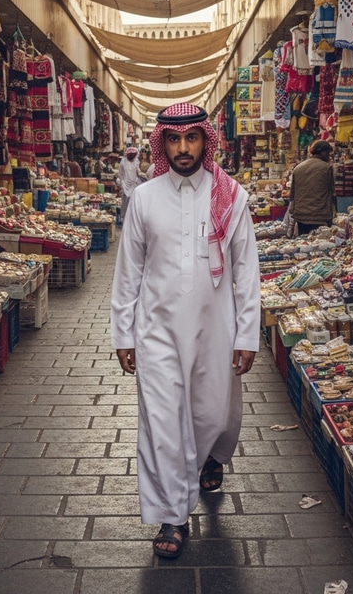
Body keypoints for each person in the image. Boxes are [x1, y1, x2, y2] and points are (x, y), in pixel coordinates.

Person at [111, 103, 260, 560]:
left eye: (190, 139)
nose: (182, 149)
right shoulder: (145, 197)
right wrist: (124, 333)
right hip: (155, 331)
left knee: (211, 417)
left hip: (216, 328)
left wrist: (247, 334)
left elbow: (246, 269)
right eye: (173, 140)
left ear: (204, 141)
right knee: (161, 424)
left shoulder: (230, 195)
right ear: (162, 144)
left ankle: (210, 459)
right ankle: (172, 515)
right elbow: (127, 272)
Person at [289, 139, 336, 233]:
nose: (328, 156)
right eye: (328, 153)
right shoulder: (327, 168)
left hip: (301, 216)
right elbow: (332, 191)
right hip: (320, 216)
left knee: (304, 242)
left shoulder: (298, 168)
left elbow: (292, 194)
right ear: (323, 152)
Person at [116, 146, 141, 221]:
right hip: (125, 183)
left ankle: (132, 218)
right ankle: (123, 218)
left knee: (133, 201)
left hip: (133, 183)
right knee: (125, 202)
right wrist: (121, 182)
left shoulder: (136, 161)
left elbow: (137, 171)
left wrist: (142, 175)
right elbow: (120, 173)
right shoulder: (123, 161)